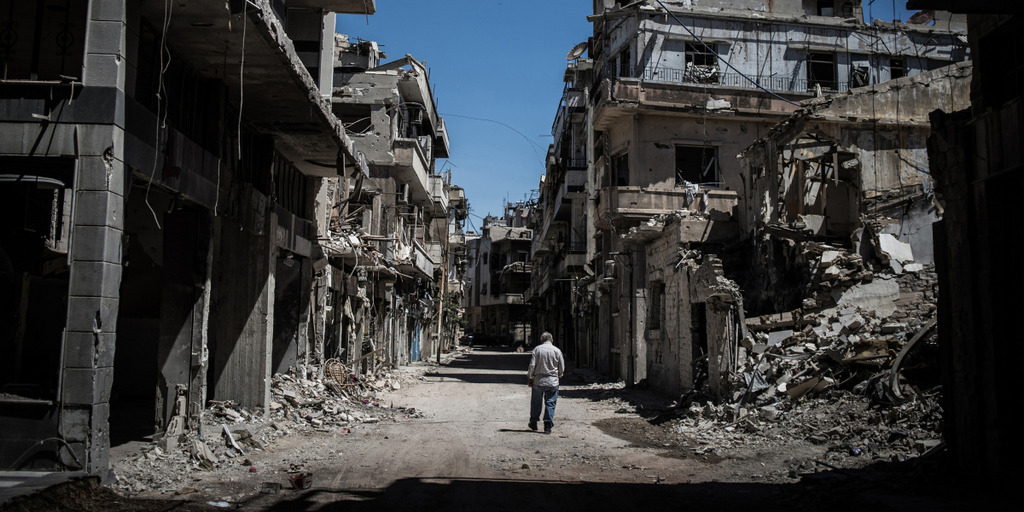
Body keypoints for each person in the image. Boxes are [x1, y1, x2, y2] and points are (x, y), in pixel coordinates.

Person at [526, 332, 565, 434]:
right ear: (552, 340)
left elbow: (532, 365)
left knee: (536, 403)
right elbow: (561, 367)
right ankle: (547, 425)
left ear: (541, 340)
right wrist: (559, 375)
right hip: (552, 381)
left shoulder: (537, 350)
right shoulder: (557, 351)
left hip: (538, 381)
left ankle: (534, 422)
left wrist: (530, 377)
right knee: (550, 403)